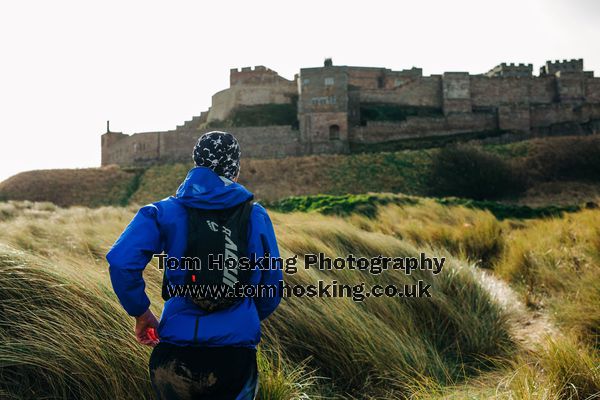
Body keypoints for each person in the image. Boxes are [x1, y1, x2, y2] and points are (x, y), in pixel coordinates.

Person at [106, 131, 283, 399]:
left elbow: (121, 261)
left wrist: (141, 313)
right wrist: (242, 315)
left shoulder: (165, 211)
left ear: (196, 162)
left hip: (173, 356)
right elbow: (272, 284)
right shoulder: (255, 215)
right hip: (233, 356)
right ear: (234, 168)